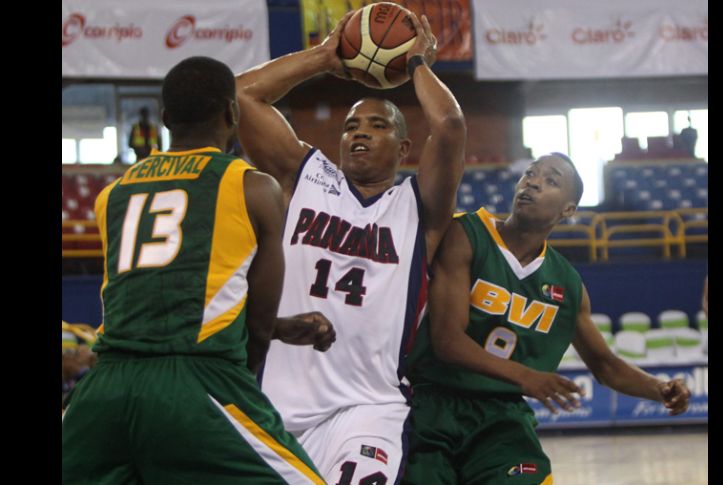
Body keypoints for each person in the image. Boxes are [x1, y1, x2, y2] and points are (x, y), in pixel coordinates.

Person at [62, 56, 334, 484]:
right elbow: (257, 328)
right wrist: (238, 386)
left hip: (104, 389)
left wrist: (280, 327)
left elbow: (158, 289)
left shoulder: (112, 195)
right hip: (196, 384)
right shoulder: (254, 188)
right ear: (232, 113)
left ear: (166, 118)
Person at [236, 11, 466, 484]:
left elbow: (449, 124)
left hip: (368, 408)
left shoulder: (417, 206)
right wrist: (322, 58)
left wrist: (418, 63)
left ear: (404, 149)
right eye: (350, 125)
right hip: (275, 405)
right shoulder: (306, 177)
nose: (358, 131)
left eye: (377, 125)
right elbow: (238, 97)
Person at [403, 153, 691, 484]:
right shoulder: (466, 233)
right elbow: (447, 341)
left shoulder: (567, 284)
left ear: (568, 209)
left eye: (550, 180)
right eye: (530, 173)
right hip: (432, 403)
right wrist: (526, 376)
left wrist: (661, 388)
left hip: (501, 417)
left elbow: (606, 366)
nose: (533, 182)